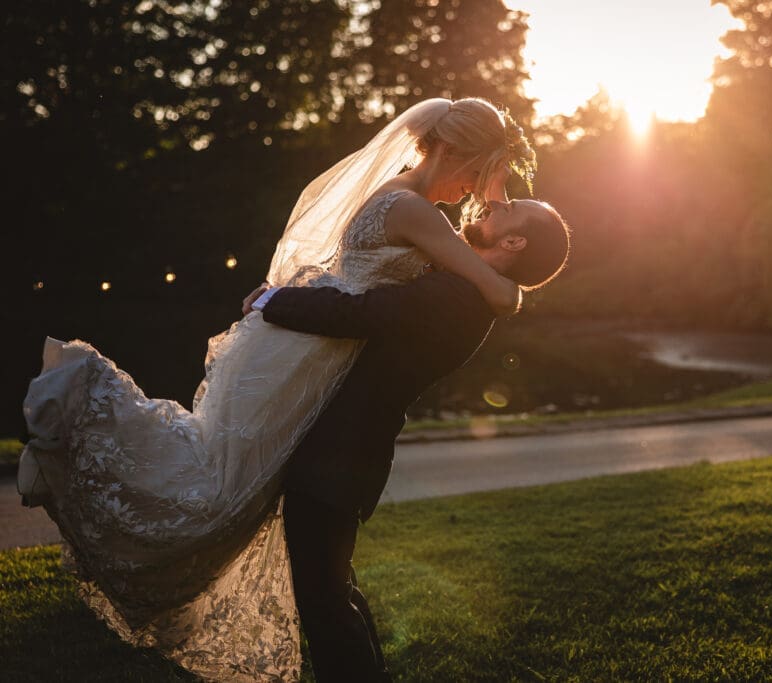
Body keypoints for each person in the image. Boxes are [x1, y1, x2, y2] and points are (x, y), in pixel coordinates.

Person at [18, 98, 539, 681]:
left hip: (302, 346)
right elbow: (491, 289)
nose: (472, 191)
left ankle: (81, 435)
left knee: (223, 468)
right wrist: (516, 286)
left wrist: (273, 299)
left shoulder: (394, 191)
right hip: (314, 352)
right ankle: (82, 417)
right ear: (448, 150)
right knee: (224, 486)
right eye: (473, 173)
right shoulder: (420, 214)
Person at [245, 196, 570, 681]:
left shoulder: (458, 297)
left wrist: (271, 300)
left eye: (509, 208)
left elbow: (360, 313)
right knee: (332, 589)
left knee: (323, 599)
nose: (496, 202)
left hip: (341, 455)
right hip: (345, 453)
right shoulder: (465, 287)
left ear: (514, 241)